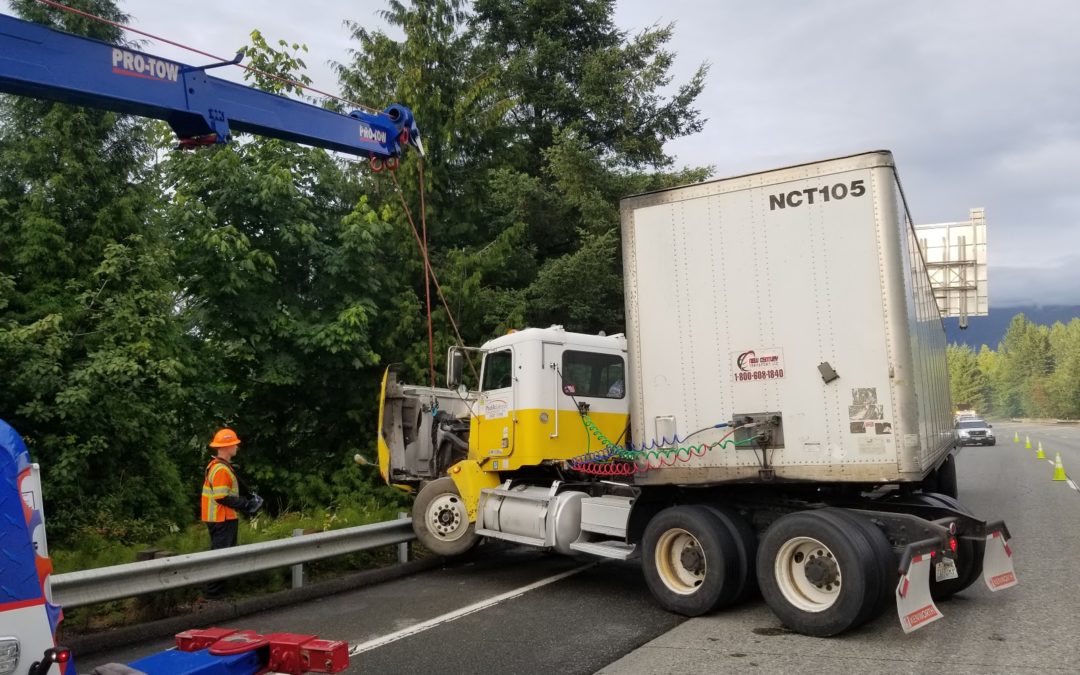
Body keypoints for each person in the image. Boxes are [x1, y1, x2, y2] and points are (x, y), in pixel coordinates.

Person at [200, 427, 261, 599]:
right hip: (222, 519)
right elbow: (221, 497)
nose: (237, 447)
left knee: (221, 555)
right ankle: (213, 594)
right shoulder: (220, 469)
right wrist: (246, 504)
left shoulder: (218, 466)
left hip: (220, 518)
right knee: (222, 556)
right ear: (226, 447)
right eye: (234, 444)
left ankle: (216, 593)